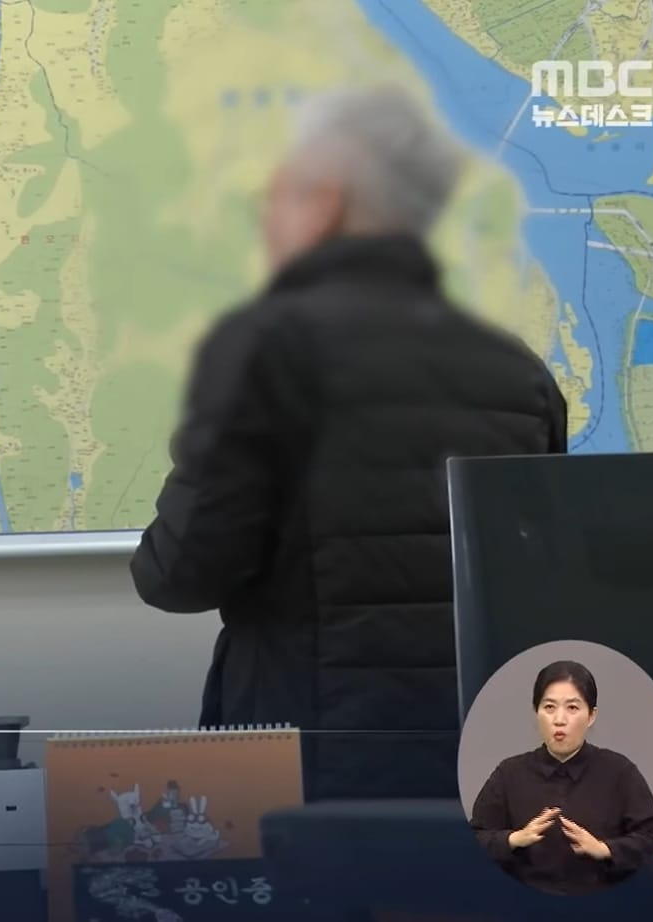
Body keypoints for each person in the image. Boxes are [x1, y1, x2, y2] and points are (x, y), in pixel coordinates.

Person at [128, 85, 569, 801]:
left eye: (276, 195)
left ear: (326, 202)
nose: (265, 217)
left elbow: (179, 576)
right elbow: (536, 582)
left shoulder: (262, 356)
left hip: (307, 773)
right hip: (481, 766)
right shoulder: (517, 370)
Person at [468, 661, 653, 895]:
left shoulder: (620, 771)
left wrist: (605, 849)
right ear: (536, 712)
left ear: (591, 715)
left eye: (572, 708)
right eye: (549, 707)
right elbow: (476, 836)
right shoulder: (508, 773)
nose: (559, 719)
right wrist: (513, 839)